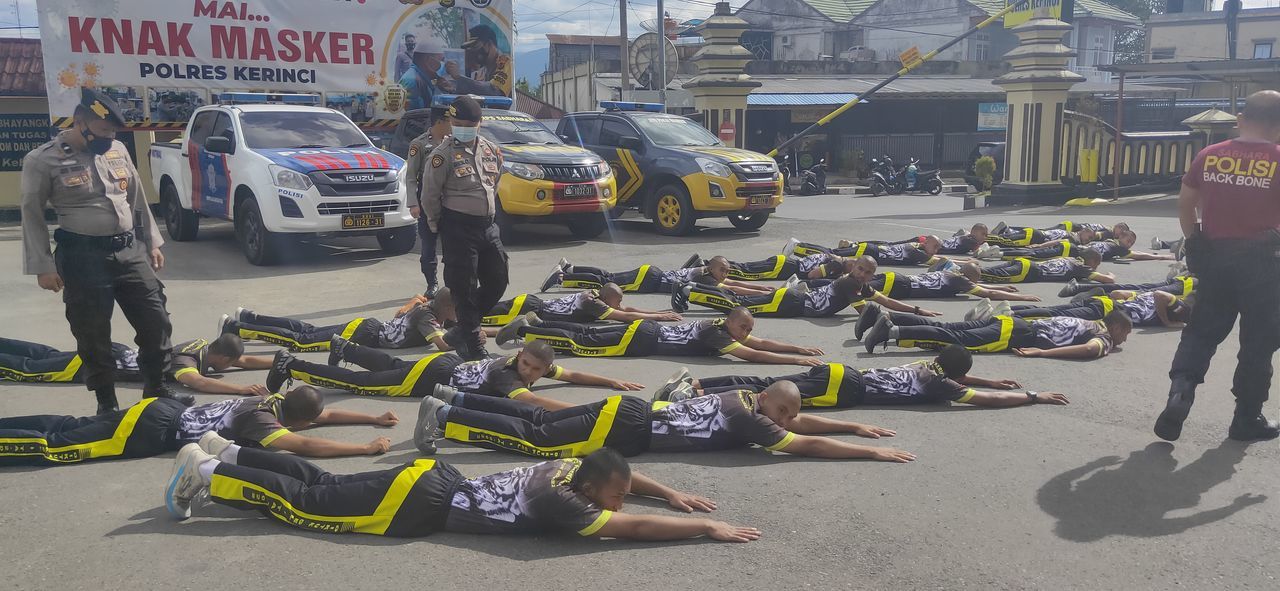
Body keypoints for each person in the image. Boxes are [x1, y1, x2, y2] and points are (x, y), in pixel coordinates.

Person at [165, 445, 761, 544]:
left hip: (432, 477)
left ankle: (235, 453)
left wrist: (671, 491)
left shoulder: (568, 469)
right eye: (614, 495)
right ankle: (212, 470)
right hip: (417, 505)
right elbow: (630, 531)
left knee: (320, 483)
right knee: (303, 504)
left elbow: (616, 474)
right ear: (585, 491)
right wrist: (705, 526)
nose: (622, 503)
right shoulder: (563, 503)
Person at [21, 88, 185, 415]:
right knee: (93, 332)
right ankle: (106, 402)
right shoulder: (43, 159)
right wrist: (43, 265)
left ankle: (156, 390)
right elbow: (31, 213)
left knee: (156, 321)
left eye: (113, 131)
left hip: (128, 251)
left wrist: (151, 241)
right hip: (82, 256)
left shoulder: (118, 150)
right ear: (80, 121)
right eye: (102, 130)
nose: (108, 137)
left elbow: (136, 198)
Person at [1155, 90, 1280, 442]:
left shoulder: (1210, 155)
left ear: (1241, 119)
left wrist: (1195, 241)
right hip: (1265, 262)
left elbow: (1185, 205)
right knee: (1259, 342)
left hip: (1215, 257)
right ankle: (1246, 418)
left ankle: (1181, 390)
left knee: (1201, 332)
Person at [412, 380, 916, 464]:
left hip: (629, 413)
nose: (786, 423)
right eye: (783, 413)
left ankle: (457, 396)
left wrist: (852, 427)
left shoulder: (743, 398)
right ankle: (449, 415)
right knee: (538, 442)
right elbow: (803, 445)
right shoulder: (750, 421)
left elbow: (800, 428)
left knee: (541, 416)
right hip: (629, 429)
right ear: (768, 403)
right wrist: (868, 450)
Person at [0, 386, 397, 466]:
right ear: (298, 418)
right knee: (59, 447)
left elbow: (321, 417)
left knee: (69, 425)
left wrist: (374, 418)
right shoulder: (261, 420)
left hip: (159, 408)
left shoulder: (269, 401)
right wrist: (364, 449)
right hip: (147, 432)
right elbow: (305, 446)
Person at [264, 338, 640, 411]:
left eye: (536, 370)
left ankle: (345, 348)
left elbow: (571, 374)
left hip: (446, 367)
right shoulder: (507, 379)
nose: (529, 372)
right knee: (364, 385)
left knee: (392, 367)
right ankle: (291, 364)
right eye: (526, 364)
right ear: (520, 356)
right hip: (437, 377)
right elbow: (537, 402)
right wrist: (590, 412)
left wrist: (610, 382)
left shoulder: (521, 367)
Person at [677, 345, 1069, 409]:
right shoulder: (940, 384)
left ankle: (697, 386)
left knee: (767, 384)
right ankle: (692, 396)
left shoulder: (926, 369)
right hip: (845, 388)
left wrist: (991, 381)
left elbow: (971, 384)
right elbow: (984, 402)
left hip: (841, 371)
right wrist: (1033, 395)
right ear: (957, 376)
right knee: (766, 401)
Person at [422, 95, 506, 360]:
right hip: (457, 226)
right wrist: (437, 225)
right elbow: (429, 195)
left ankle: (462, 329)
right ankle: (475, 350)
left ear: (479, 123)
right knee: (464, 288)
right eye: (456, 123)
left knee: (498, 280)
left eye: (468, 123)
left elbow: (495, 181)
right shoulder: (441, 155)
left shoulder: (491, 150)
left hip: (487, 226)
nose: (461, 127)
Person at [503, 306, 825, 365]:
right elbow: (754, 354)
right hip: (643, 340)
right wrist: (794, 359)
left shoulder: (719, 326)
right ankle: (527, 329)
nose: (747, 334)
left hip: (647, 332)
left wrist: (798, 347)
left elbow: (761, 343)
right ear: (731, 323)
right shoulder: (718, 335)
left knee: (587, 332)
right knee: (583, 343)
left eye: (749, 330)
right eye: (744, 328)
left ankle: (537, 321)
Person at [0, 335, 274, 396]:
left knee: (45, 354)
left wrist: (279, 360)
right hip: (97, 364)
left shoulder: (201, 345)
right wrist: (241, 390)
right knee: (29, 368)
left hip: (114, 349)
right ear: (223, 360)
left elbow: (245, 361)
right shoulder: (184, 362)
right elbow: (199, 383)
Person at [859, 303, 1133, 360]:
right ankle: (891, 332)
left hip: (1012, 323)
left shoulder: (1090, 322)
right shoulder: (1104, 336)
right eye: (1126, 333)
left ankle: (885, 316)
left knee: (946, 327)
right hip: (1019, 336)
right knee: (955, 340)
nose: (1124, 339)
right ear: (1117, 327)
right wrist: (1042, 352)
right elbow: (1089, 350)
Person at [220, 292, 455, 353]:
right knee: (302, 341)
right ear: (446, 308)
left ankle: (250, 318)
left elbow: (412, 302)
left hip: (368, 327)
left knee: (307, 330)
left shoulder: (428, 308)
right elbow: (443, 346)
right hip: (363, 334)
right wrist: (467, 342)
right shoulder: (428, 319)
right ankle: (238, 328)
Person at [487, 284, 682, 342]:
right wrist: (659, 317)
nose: (621, 304)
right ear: (607, 299)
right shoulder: (594, 304)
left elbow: (627, 309)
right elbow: (626, 317)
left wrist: (659, 312)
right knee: (475, 313)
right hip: (526, 308)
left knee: (478, 311)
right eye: (618, 300)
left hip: (530, 304)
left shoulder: (596, 295)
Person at [403, 96, 454, 297]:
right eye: (450, 121)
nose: (453, 125)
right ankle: (431, 283)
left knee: (452, 245)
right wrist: (413, 204)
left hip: (450, 200)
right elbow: (411, 177)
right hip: (426, 200)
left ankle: (451, 284)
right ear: (440, 122)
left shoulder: (454, 143)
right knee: (429, 246)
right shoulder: (420, 144)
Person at [542, 256, 771, 296]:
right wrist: (761, 291)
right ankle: (562, 278)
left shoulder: (706, 273)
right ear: (711, 268)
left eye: (727, 270)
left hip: (651, 273)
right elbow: (733, 289)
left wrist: (763, 289)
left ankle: (571, 268)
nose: (725, 274)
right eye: (722, 270)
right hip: (649, 279)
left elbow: (732, 282)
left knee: (608, 276)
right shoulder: (706, 278)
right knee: (607, 282)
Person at [674, 275, 872, 318]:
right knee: (736, 307)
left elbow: (882, 300)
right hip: (789, 302)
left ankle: (692, 286)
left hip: (791, 297)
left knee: (737, 300)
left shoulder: (848, 281)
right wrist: (880, 315)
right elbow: (863, 310)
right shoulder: (852, 286)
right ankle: (688, 292)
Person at [1000, 289, 1192, 329]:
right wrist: (1167, 322)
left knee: (1053, 310)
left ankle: (1011, 309)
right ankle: (1010, 314)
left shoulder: (1144, 297)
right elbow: (1161, 295)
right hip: (1106, 310)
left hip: (1103, 302)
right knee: (1055, 314)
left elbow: (1118, 292)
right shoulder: (1180, 306)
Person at [678, 251, 850, 281]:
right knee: (742, 273)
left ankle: (703, 264)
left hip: (783, 263)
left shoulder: (833, 257)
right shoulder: (836, 265)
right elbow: (813, 275)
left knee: (744, 267)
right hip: (784, 268)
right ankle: (702, 266)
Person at [787, 236, 943, 267]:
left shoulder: (915, 246)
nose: (935, 251)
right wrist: (965, 262)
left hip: (869, 249)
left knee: (832, 254)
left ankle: (799, 249)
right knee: (831, 255)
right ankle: (798, 247)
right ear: (926, 242)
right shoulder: (916, 252)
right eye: (934, 247)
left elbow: (887, 243)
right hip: (868, 252)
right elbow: (939, 261)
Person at [973, 252, 1114, 285]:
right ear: (1093, 261)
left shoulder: (1070, 259)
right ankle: (958, 272)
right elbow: (1107, 280)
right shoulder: (1082, 268)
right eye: (1097, 265)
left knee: (985, 270)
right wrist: (1110, 274)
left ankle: (958, 268)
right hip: (1028, 272)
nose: (1096, 268)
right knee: (983, 276)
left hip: (1024, 262)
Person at [462, 24, 512, 96]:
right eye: (471, 48)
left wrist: (459, 78)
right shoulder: (482, 71)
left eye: (476, 46)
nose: (474, 52)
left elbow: (495, 91)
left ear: (489, 44)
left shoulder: (505, 61)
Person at [1057, 274, 1197, 299]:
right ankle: (1098, 296)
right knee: (1142, 294)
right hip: (1186, 288)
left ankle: (1077, 287)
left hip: (1185, 280)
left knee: (1135, 287)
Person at [399, 37, 446, 110]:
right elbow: (411, 116)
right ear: (428, 60)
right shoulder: (411, 81)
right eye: (441, 60)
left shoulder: (424, 77)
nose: (442, 64)